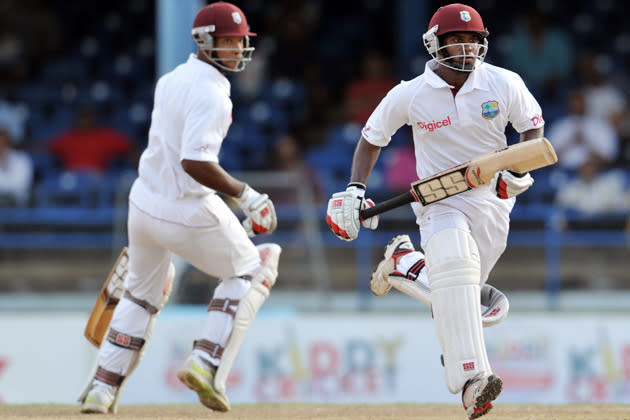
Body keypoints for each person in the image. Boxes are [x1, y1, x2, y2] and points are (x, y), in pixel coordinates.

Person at [326, 4, 544, 419]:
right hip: (439, 200)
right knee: (458, 272)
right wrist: (355, 190)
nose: (464, 47)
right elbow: (372, 138)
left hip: (492, 199)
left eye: (472, 40)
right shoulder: (411, 93)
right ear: (434, 44)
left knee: (469, 303)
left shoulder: (503, 83)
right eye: (455, 40)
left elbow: (532, 128)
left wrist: (518, 171)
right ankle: (471, 382)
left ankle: (405, 265)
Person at [79, 2, 280, 414]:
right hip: (184, 208)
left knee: (140, 296)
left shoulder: (171, 79)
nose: (238, 49)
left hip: (144, 204)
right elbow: (195, 161)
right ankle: (205, 361)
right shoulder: (212, 92)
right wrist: (247, 195)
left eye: (241, 41)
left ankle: (101, 388)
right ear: (205, 42)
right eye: (229, 41)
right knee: (254, 266)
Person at [47, 105, 137, 173]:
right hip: (71, 177)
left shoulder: (104, 137)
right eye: (82, 118)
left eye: (87, 118)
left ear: (92, 119)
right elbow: (47, 147)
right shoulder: (68, 138)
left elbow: (129, 146)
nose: (84, 121)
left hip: (96, 177)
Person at [0, 124, 33, 206]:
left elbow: (21, 186)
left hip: (17, 204)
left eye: (2, 140)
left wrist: (5, 164)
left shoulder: (22, 159)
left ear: (7, 141)